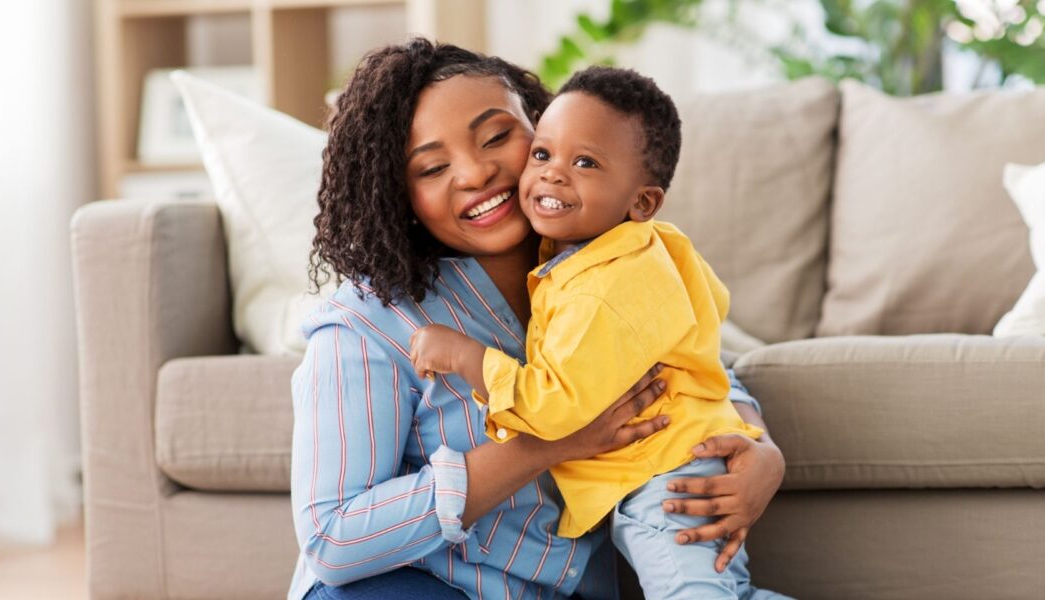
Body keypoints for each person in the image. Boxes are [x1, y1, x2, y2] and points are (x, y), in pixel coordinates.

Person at [290, 38, 786, 600]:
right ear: (397, 195)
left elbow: (688, 360)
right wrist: (546, 444)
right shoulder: (364, 325)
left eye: (498, 137)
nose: (476, 173)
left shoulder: (609, 262)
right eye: (431, 167)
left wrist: (762, 450)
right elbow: (331, 540)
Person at [407, 65, 772, 599]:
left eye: (585, 163)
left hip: (663, 481)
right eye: (542, 154)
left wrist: (466, 356)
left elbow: (556, 409)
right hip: (682, 458)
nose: (553, 174)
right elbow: (702, 337)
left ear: (642, 201)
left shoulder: (598, 288)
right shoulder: (650, 246)